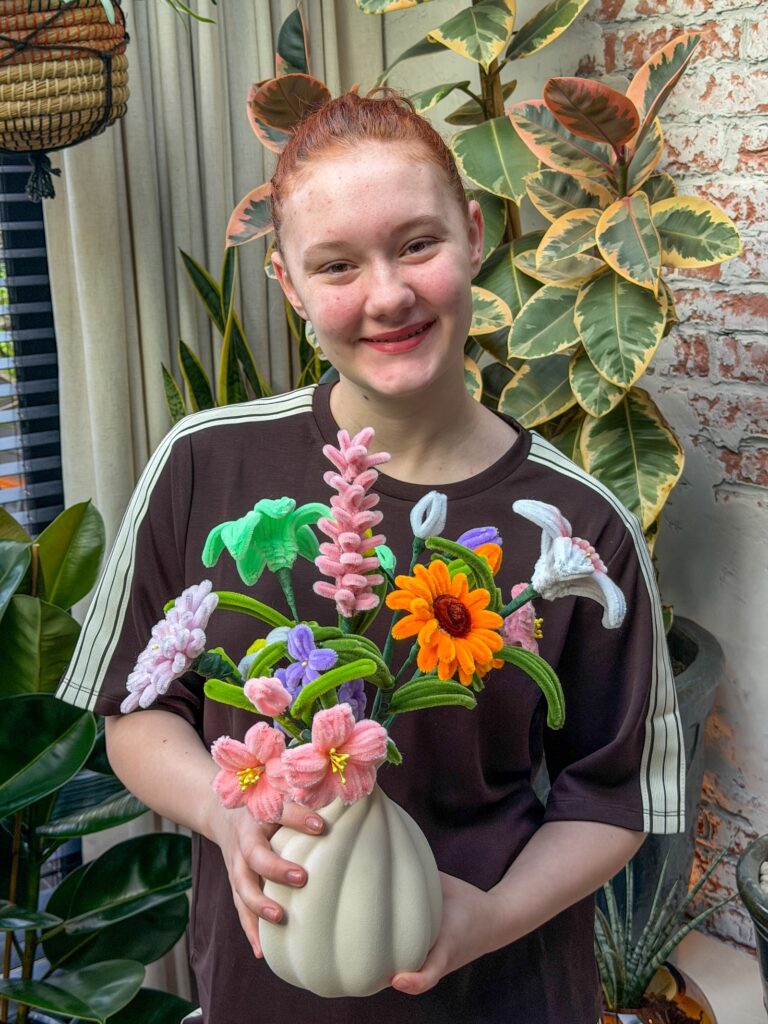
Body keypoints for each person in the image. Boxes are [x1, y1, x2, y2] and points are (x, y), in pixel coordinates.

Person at [56, 90, 684, 1024]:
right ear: (288, 284)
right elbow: (137, 714)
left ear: (473, 236)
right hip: (265, 990)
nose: (387, 295)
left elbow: (615, 794)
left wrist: (489, 917)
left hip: (500, 988)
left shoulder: (581, 520)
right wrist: (228, 811)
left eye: (419, 244)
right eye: (337, 265)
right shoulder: (201, 463)